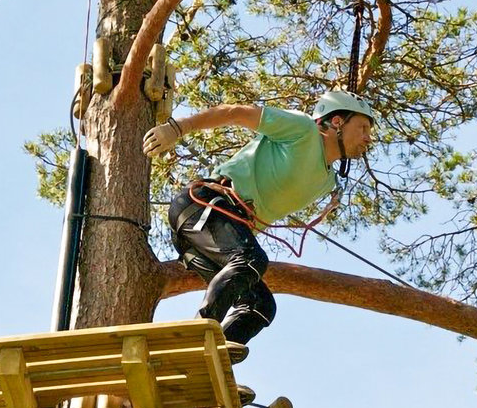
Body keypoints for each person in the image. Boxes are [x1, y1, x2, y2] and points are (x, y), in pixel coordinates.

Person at [142, 90, 375, 351]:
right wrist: (177, 128)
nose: (368, 138)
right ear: (337, 122)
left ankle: (207, 362)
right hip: (202, 206)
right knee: (250, 260)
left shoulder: (327, 180)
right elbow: (234, 113)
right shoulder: (303, 130)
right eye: (363, 127)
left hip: (212, 236)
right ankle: (194, 339)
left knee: (260, 306)